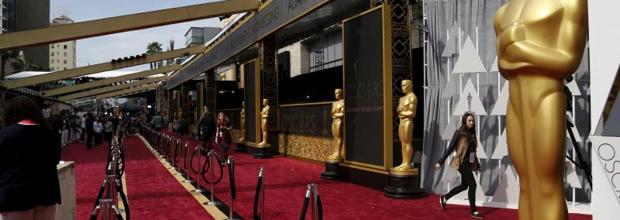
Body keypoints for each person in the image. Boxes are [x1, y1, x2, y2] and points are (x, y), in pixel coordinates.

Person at [494, 1, 587, 219]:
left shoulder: (570, 2)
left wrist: (519, 49)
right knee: (526, 185)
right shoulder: (502, 13)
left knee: (547, 185)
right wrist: (515, 53)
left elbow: (568, 60)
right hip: (516, 104)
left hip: (546, 99)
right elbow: (503, 66)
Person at [0, 96, 61, 220]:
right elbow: (55, 160)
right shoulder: (48, 133)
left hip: (14, 195)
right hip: (46, 191)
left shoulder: (4, 134)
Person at [435, 112, 482, 219]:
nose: (471, 122)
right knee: (473, 185)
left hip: (468, 163)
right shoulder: (460, 133)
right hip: (461, 163)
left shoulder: (472, 134)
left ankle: (444, 198)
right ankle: (474, 211)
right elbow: (450, 148)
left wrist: (476, 164)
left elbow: (472, 151)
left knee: (465, 186)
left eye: (473, 120)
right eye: (469, 120)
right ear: (465, 121)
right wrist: (440, 162)